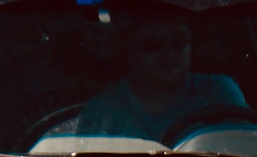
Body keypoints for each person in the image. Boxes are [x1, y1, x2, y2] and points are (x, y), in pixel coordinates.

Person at [72, 14, 247, 143]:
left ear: (191, 47)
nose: (169, 55)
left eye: (179, 43)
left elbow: (245, 147)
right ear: (131, 52)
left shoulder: (219, 93)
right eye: (152, 46)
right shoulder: (103, 109)